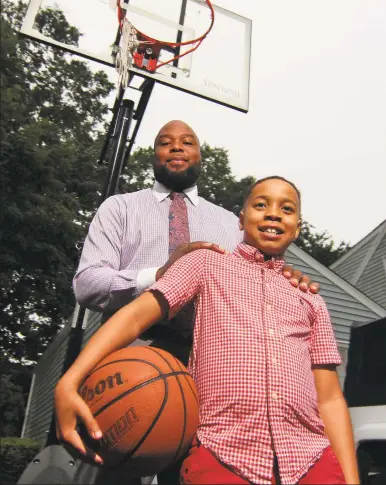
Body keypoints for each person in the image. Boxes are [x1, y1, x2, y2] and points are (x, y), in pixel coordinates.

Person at [55, 175, 359, 485]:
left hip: (310, 459)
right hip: (223, 454)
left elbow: (330, 399)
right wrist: (71, 380)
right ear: (240, 221)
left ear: (297, 228)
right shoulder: (206, 264)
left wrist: (350, 479)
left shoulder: (309, 298)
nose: (273, 213)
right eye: (261, 204)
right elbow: (134, 316)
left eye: (287, 208)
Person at [73, 120, 319, 367]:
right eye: (165, 143)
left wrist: (287, 279)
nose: (177, 147)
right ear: (154, 156)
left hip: (207, 361)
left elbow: (256, 285)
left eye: (187, 143)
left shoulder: (233, 224)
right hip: (129, 347)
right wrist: (159, 275)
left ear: (200, 157)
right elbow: (87, 284)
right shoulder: (119, 208)